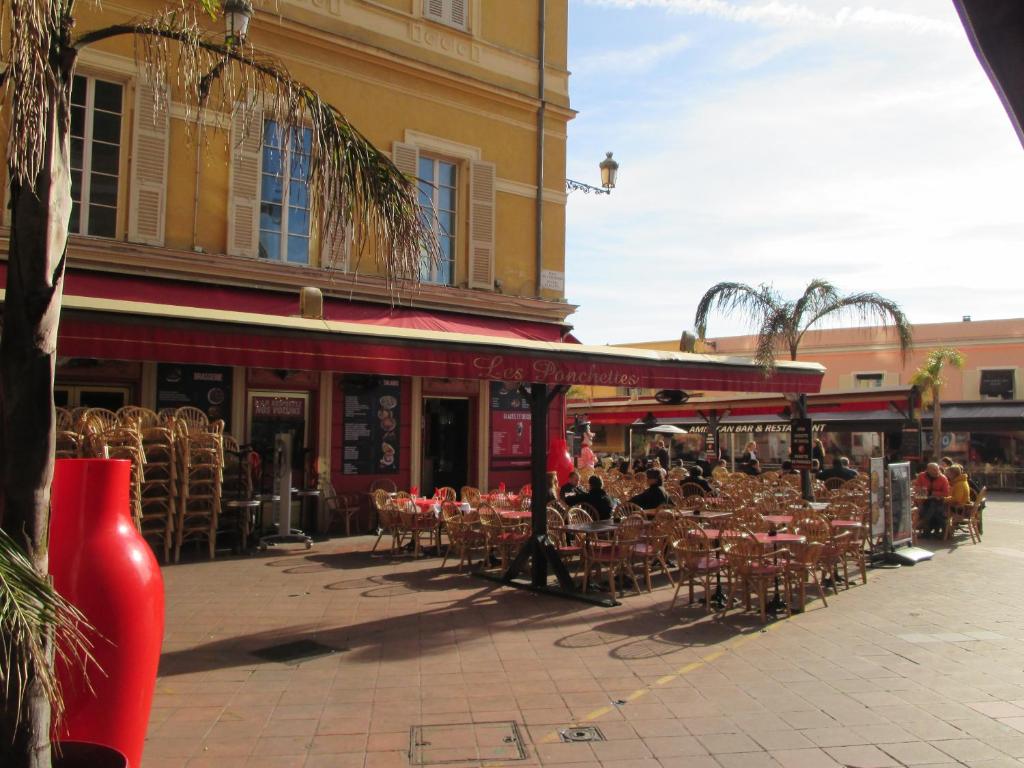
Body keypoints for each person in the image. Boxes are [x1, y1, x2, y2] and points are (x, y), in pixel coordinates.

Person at [914, 462, 950, 536]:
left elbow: (946, 493)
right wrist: (922, 499)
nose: (936, 472)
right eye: (934, 470)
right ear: (928, 470)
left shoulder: (943, 478)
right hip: (924, 500)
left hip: (938, 501)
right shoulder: (921, 476)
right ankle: (943, 530)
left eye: (937, 470)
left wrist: (934, 493)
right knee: (933, 511)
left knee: (933, 506)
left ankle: (924, 527)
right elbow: (918, 489)